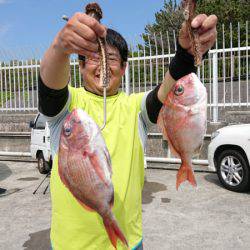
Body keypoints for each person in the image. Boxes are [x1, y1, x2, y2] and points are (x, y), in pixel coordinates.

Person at [39, 9, 217, 250]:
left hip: (128, 242)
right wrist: (59, 48)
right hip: (69, 245)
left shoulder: (135, 107)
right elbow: (50, 86)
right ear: (80, 66)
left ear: (123, 68)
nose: (103, 64)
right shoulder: (68, 108)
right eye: (93, 57)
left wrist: (186, 53)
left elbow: (168, 90)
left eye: (111, 59)